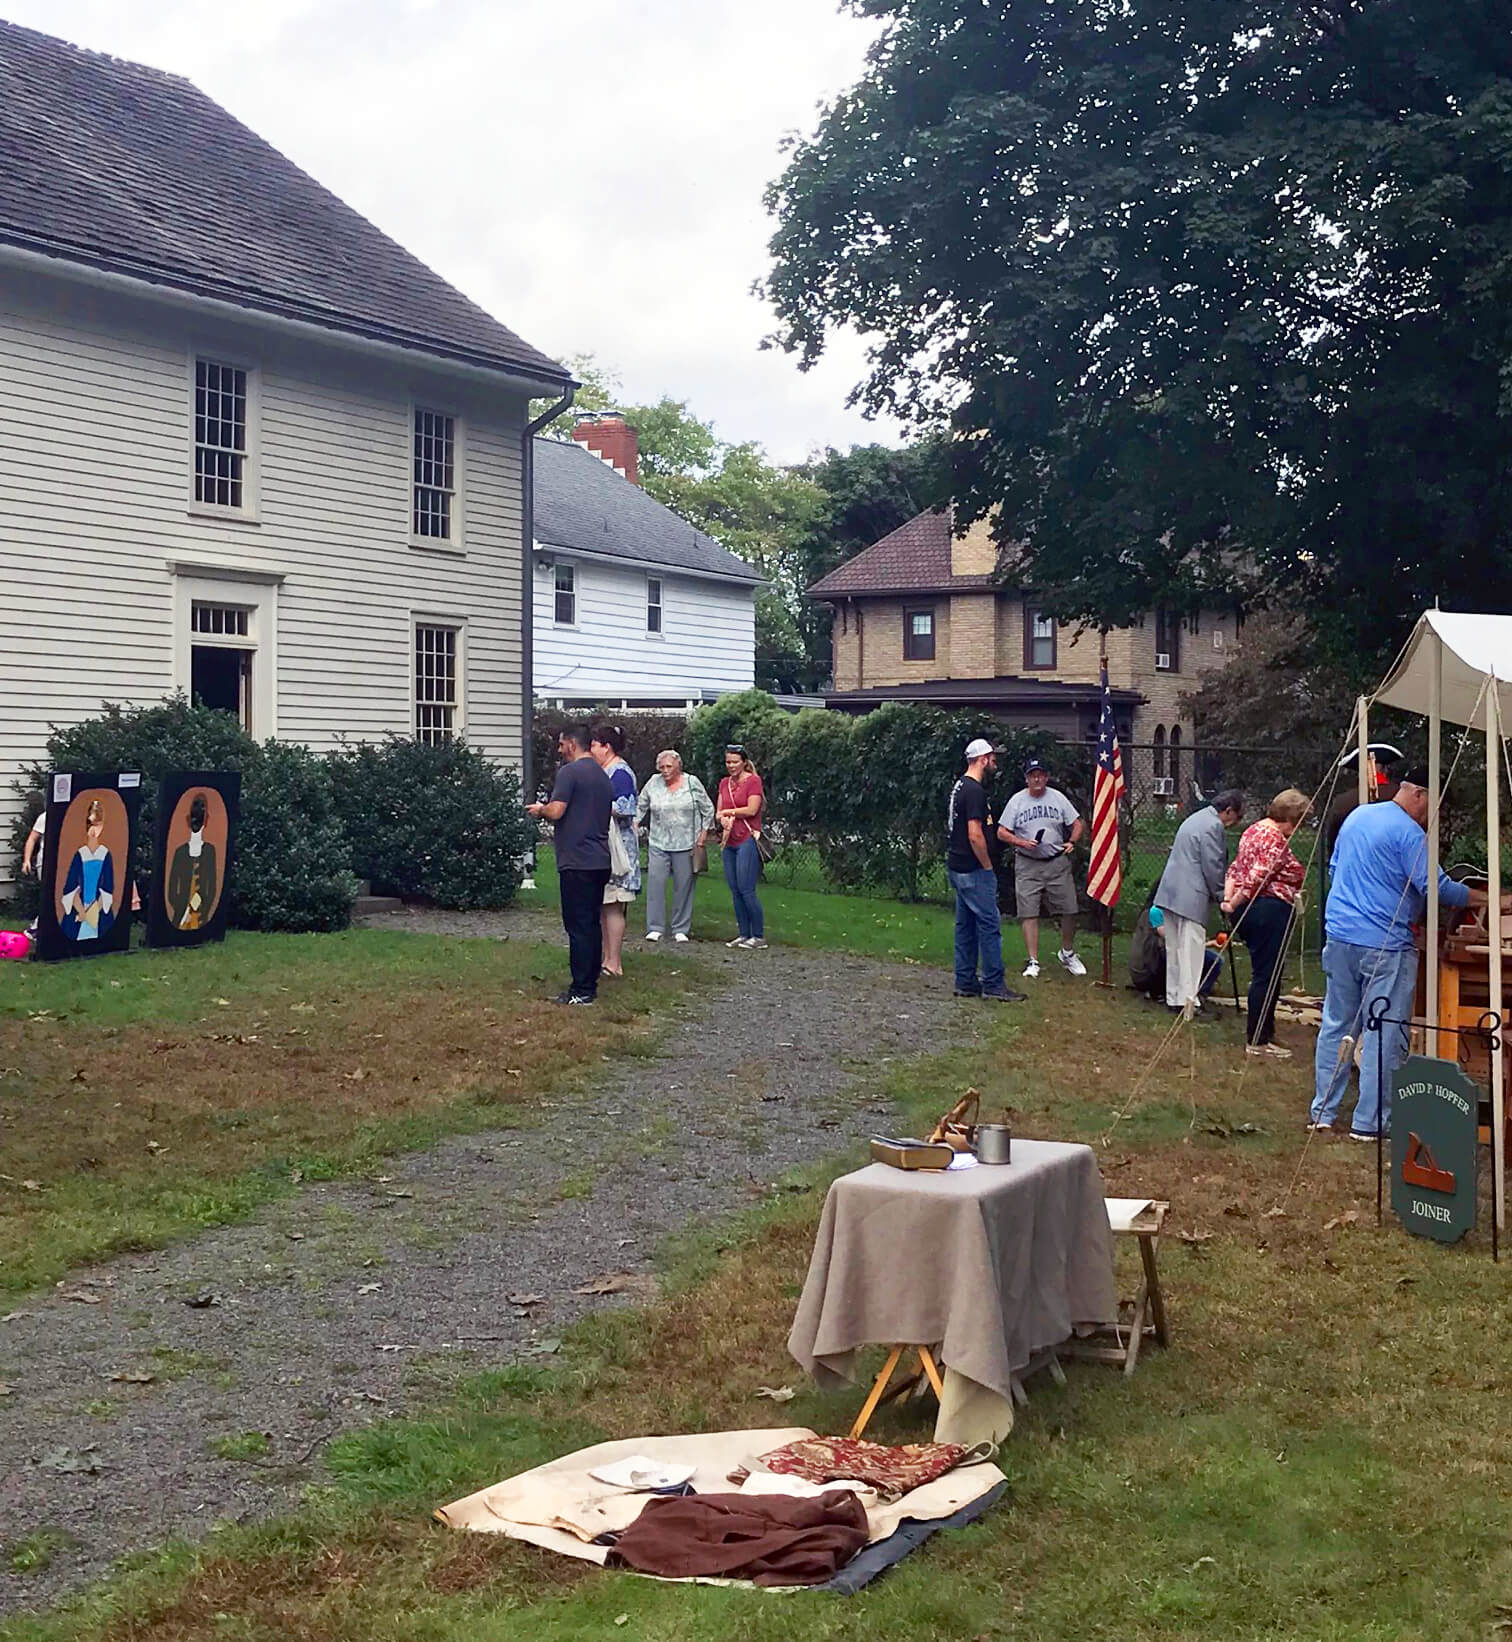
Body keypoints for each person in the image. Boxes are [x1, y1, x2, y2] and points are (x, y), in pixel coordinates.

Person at [1310, 766, 1500, 1138]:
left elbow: (1334, 868)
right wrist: (1489, 900)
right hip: (1385, 944)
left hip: (1341, 935)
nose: (1432, 814)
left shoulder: (1358, 817)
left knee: (1336, 1026)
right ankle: (1370, 1122)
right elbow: (1438, 888)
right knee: (1383, 1030)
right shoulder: (1409, 834)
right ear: (1419, 794)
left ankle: (1322, 1113)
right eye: (1434, 805)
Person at [526, 724, 613, 1004]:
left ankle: (581, 989)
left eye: (562, 744)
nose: (559, 749)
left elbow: (557, 810)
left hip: (578, 860)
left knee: (577, 926)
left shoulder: (570, 772)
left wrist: (541, 809)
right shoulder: (602, 774)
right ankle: (590, 982)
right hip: (599, 858)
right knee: (591, 923)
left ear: (573, 745)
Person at [1221, 789, 1310, 1057]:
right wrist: (1234, 902)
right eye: (1300, 820)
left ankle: (1265, 1032)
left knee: (1268, 972)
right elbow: (1257, 877)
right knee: (1266, 974)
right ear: (1291, 817)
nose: (1300, 827)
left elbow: (1235, 869)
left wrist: (1228, 899)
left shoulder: (1253, 830)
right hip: (1267, 910)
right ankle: (1258, 1039)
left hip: (1252, 908)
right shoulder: (1274, 839)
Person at [1152, 790, 1245, 1017]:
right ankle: (1189, 1003)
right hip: (1191, 895)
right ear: (1228, 811)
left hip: (1171, 891)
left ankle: (1174, 998)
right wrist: (1222, 895)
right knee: (1191, 951)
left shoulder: (1195, 818)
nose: (1234, 823)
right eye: (1236, 817)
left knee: (1175, 949)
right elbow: (1213, 865)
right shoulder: (1213, 826)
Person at [946, 737, 1025, 1002]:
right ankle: (993, 983)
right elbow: (974, 834)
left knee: (965, 926)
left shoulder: (959, 786)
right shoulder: (974, 791)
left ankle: (965, 980)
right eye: (992, 757)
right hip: (973, 869)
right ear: (982, 760)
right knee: (989, 926)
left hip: (957, 866)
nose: (995, 762)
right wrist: (987, 865)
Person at [997, 758, 1086, 979]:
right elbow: (1001, 832)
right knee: (1029, 912)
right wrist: (1021, 842)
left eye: (1040, 775)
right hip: (1028, 863)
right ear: (1026, 778)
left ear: (1046, 777)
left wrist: (1072, 841)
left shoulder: (1057, 798)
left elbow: (1077, 823)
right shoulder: (1017, 801)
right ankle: (1033, 960)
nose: (1036, 779)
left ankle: (1067, 953)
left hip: (1056, 862)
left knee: (1069, 909)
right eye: (1032, 775)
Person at [637, 749, 714, 943]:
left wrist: (703, 835)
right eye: (661, 767)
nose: (665, 770)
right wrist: (634, 824)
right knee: (655, 883)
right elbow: (641, 805)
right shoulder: (653, 782)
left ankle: (680, 928)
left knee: (684, 886)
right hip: (658, 841)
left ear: (678, 766)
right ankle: (655, 927)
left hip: (686, 842)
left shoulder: (692, 782)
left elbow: (708, 809)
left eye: (669, 766)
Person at [589, 725, 639, 978]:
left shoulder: (620, 773)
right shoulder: (606, 771)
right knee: (605, 903)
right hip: (607, 844)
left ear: (606, 747)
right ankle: (606, 959)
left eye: (594, 745)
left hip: (619, 847)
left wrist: (594, 804)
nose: (591, 751)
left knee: (614, 904)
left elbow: (626, 807)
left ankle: (614, 962)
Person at [716, 744, 767, 949]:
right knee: (735, 889)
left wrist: (729, 813)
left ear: (744, 762)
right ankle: (744, 933)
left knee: (747, 888)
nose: (731, 766)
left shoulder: (753, 781)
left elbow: (752, 809)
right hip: (729, 840)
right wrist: (722, 819)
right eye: (728, 762)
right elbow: (719, 811)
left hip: (748, 837)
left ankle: (758, 935)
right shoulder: (724, 783)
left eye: (735, 762)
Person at [59, 798, 115, 942]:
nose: (93, 830)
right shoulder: (80, 854)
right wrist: (81, 911)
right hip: (79, 907)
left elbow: (108, 887)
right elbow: (70, 886)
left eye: (97, 825)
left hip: (99, 908)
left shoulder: (105, 854)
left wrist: (94, 911)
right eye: (90, 824)